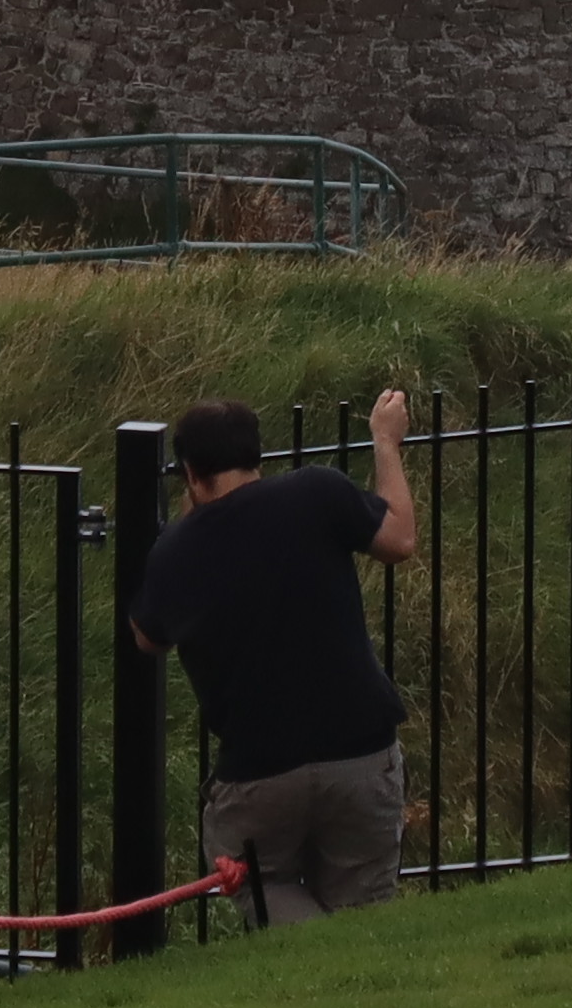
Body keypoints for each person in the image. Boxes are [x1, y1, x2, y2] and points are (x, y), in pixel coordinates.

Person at [129, 388, 422, 923]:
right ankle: (349, 959)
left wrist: (185, 527)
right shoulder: (316, 492)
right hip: (360, 751)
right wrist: (385, 442)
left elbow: (148, 637)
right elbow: (399, 540)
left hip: (258, 771)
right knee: (363, 912)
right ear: (256, 455)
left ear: (190, 473)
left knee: (258, 881)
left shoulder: (175, 551)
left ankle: (310, 950)